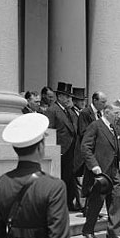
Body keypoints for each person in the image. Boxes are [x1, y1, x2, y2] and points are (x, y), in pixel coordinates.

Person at [80, 104, 120, 238]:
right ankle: (88, 230)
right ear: (107, 113)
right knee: (96, 202)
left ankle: (114, 231)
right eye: (116, 113)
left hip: (114, 170)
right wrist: (94, 165)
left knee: (117, 199)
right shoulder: (96, 126)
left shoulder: (115, 129)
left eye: (119, 113)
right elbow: (86, 147)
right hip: (100, 172)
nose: (119, 116)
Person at [45, 82, 80, 212]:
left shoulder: (69, 111)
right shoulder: (52, 110)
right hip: (61, 150)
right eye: (66, 96)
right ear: (59, 96)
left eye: (69, 96)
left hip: (71, 149)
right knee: (63, 178)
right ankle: (61, 204)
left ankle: (70, 202)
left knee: (70, 178)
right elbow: (49, 130)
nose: (68, 99)